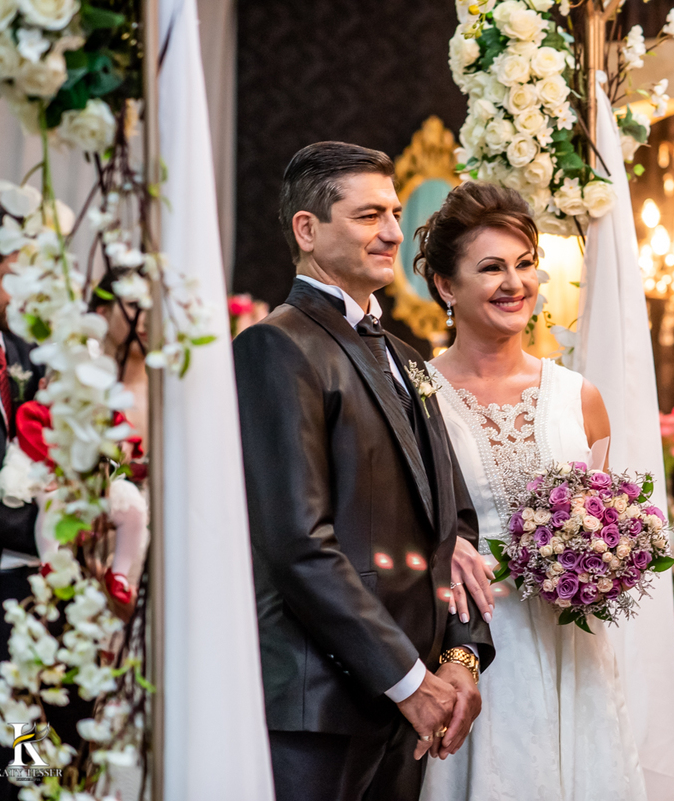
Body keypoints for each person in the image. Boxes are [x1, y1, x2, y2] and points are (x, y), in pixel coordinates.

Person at [233, 142, 494, 801]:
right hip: (322, 705)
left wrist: (461, 657)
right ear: (307, 229)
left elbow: (454, 528)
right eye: (368, 214)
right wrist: (410, 680)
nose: (392, 232)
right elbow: (299, 545)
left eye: (396, 213)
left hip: (410, 706)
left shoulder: (407, 357)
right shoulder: (276, 345)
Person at [417, 182, 647, 801]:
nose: (513, 283)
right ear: (445, 285)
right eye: (490, 267)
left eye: (523, 264)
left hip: (576, 648)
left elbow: (612, 517)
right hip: (475, 648)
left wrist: (606, 557)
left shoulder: (580, 398)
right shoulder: (417, 399)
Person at [0, 198, 44, 800]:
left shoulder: (25, 358)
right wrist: (43, 530)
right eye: (8, 277)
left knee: (30, 780)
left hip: (28, 628)